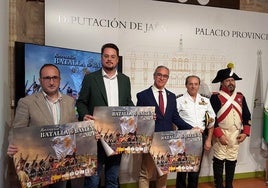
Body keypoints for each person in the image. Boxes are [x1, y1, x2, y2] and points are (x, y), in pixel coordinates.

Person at [7, 64, 77, 188]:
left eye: (55, 78)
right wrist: (12, 144)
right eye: (47, 78)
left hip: (62, 162)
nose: (51, 82)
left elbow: (73, 127)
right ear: (40, 80)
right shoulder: (26, 102)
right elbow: (17, 130)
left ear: (60, 80)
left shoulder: (69, 101)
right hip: (39, 162)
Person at [76, 43, 134, 188]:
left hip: (117, 137)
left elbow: (128, 103)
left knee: (113, 178)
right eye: (106, 56)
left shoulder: (125, 80)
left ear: (117, 60)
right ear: (101, 58)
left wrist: (141, 116)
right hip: (95, 137)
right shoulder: (90, 78)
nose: (109, 59)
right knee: (92, 180)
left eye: (113, 56)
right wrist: (84, 116)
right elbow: (81, 102)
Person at [136, 65, 193, 188]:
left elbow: (175, 118)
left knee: (163, 172)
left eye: (165, 76)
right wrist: (145, 119)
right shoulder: (142, 95)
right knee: (145, 174)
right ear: (154, 76)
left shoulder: (171, 96)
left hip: (168, 140)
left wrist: (191, 128)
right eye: (159, 75)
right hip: (150, 140)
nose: (162, 78)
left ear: (168, 78)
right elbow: (137, 119)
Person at [210, 63, 251, 188]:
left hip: (236, 133)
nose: (231, 82)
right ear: (222, 83)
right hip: (220, 132)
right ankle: (219, 185)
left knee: (232, 160)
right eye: (228, 80)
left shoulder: (240, 97)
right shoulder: (215, 97)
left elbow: (247, 116)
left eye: (232, 80)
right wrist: (219, 134)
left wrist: (245, 132)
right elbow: (212, 118)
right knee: (219, 160)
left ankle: (229, 184)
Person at [176, 75, 215, 188]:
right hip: (183, 137)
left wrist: (208, 139)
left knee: (195, 169)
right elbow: (174, 119)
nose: (193, 86)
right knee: (182, 170)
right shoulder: (179, 100)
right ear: (186, 85)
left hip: (200, 137)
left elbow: (212, 120)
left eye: (196, 84)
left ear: (199, 86)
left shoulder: (205, 101)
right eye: (190, 84)